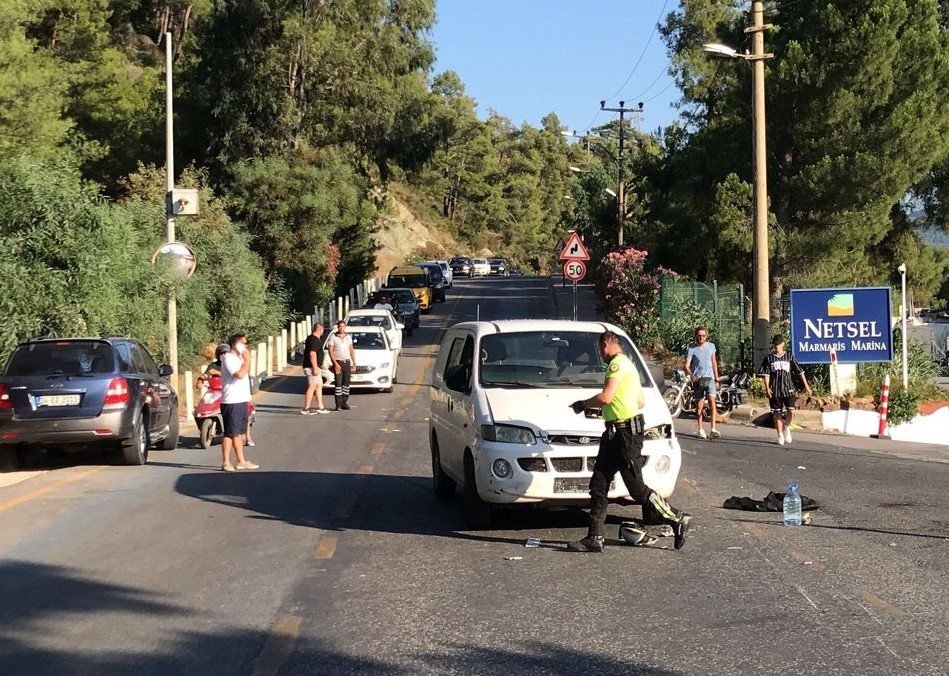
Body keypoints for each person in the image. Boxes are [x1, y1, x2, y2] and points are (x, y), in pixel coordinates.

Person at [566, 331, 692, 553]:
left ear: (607, 344)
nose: (601, 353)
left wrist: (583, 404)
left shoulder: (615, 365)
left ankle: (677, 518)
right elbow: (639, 402)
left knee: (637, 489)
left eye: (600, 348)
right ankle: (594, 537)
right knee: (599, 484)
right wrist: (611, 412)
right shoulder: (630, 365)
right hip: (616, 433)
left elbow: (606, 396)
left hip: (624, 436)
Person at [198, 343, 256, 446]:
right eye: (221, 353)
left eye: (226, 353)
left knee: (245, 412)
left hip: (235, 394)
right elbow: (206, 374)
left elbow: (238, 374)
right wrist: (201, 380)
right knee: (201, 407)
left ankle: (248, 437)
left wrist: (218, 373)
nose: (224, 355)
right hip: (218, 392)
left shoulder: (235, 363)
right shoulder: (214, 365)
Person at [760, 334, 812, 446]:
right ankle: (780, 435)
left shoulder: (789, 357)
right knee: (777, 413)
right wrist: (767, 388)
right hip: (775, 390)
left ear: (783, 344)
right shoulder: (769, 358)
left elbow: (800, 372)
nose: (777, 347)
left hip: (788, 388)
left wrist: (807, 386)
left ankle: (787, 427)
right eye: (775, 345)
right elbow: (766, 374)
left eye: (778, 344)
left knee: (791, 411)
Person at [219, 332, 259, 471]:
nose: (245, 346)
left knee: (237, 433)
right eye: (243, 343)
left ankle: (238, 460)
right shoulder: (228, 358)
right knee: (231, 432)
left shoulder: (239, 359)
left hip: (241, 400)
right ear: (235, 344)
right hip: (232, 401)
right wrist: (247, 359)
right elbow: (240, 374)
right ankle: (229, 462)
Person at [684, 326, 721, 439]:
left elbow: (714, 362)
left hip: (709, 378)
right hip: (698, 380)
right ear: (696, 336)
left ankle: (713, 429)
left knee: (712, 402)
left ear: (707, 336)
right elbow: (686, 366)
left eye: (703, 336)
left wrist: (716, 378)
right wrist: (692, 375)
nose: (701, 338)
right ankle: (700, 429)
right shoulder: (691, 348)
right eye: (699, 336)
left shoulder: (711, 346)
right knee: (699, 406)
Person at [327, 320, 356, 410]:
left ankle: (344, 402)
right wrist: (335, 363)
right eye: (340, 326)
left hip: (347, 362)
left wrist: (354, 362)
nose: (342, 328)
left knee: (346, 384)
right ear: (338, 327)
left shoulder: (348, 337)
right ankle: (338, 404)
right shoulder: (333, 337)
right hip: (338, 362)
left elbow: (351, 349)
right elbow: (330, 351)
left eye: (343, 326)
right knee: (338, 384)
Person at [301, 323, 329, 415]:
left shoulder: (312, 339)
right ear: (320, 329)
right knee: (312, 386)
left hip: (315, 367)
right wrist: (315, 367)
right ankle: (306, 408)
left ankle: (321, 407)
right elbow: (312, 354)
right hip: (312, 367)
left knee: (319, 385)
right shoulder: (314, 340)